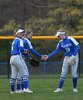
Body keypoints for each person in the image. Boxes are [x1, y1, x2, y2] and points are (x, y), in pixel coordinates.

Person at [10, 29, 33, 94]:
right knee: (25, 72)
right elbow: (21, 48)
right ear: (17, 34)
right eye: (20, 33)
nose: (22, 34)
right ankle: (25, 88)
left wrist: (25, 51)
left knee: (14, 75)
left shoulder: (14, 40)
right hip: (17, 57)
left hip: (12, 58)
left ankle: (14, 91)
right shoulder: (20, 40)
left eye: (22, 32)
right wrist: (26, 50)